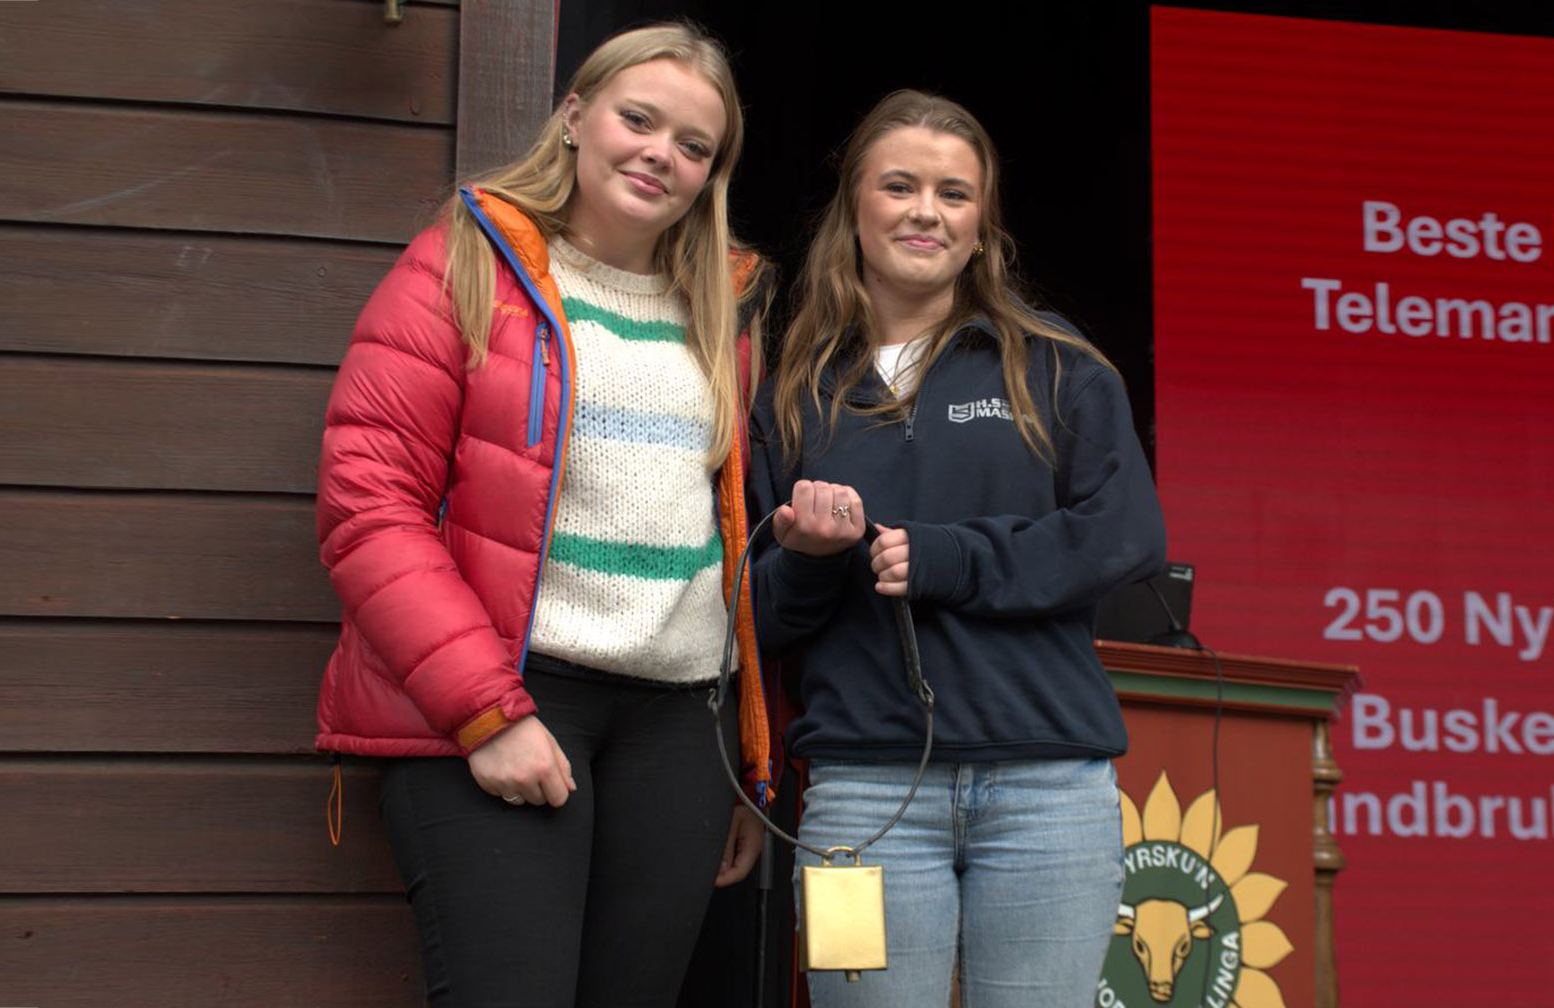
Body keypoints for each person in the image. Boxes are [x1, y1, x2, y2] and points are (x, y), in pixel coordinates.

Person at [312, 22, 772, 1008]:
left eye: (695, 146)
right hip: (509, 701)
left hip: (681, 732)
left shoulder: (727, 313)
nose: (662, 154)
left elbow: (724, 542)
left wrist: (744, 756)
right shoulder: (465, 261)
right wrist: (486, 712)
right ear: (575, 117)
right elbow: (368, 505)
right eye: (638, 120)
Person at [748, 90, 1166, 1007]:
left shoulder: (1058, 368)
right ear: (855, 209)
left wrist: (951, 559)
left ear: (983, 226)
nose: (925, 211)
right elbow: (757, 618)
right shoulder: (791, 399)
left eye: (953, 193)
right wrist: (812, 557)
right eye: (899, 186)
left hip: (1050, 789)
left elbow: (1124, 535)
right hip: (861, 795)